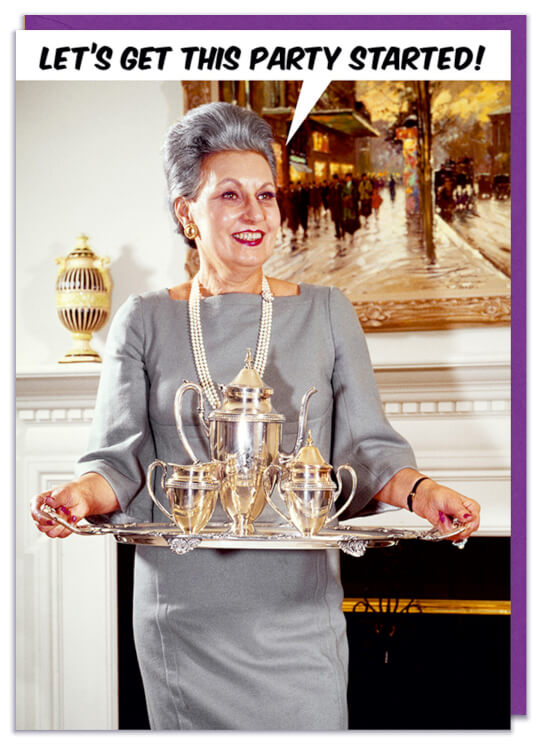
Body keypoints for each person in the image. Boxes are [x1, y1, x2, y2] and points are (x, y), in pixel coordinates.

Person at [30, 102, 480, 732]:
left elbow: (368, 448)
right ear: (186, 212)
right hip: (183, 616)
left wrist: (425, 493)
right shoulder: (144, 319)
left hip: (299, 614)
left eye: (265, 195)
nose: (255, 213)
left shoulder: (327, 312)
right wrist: (77, 497)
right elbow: (118, 461)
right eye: (230, 195)